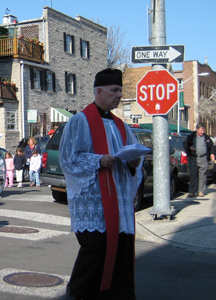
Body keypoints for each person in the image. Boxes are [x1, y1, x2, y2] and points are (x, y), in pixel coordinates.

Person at [59, 68, 143, 300]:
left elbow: (134, 158)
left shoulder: (121, 125)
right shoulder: (80, 121)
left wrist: (134, 162)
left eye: (120, 91)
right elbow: (68, 160)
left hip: (119, 201)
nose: (119, 95)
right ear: (99, 92)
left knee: (121, 250)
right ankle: (78, 294)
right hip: (94, 202)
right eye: (115, 90)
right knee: (96, 250)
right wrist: (98, 160)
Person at [183, 123, 214, 197]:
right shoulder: (191, 137)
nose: (202, 132)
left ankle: (200, 191)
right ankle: (192, 191)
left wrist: (212, 154)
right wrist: (189, 148)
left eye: (203, 130)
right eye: (201, 130)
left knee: (202, 175)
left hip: (203, 158)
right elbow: (185, 144)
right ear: (197, 129)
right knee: (193, 174)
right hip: (193, 158)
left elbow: (211, 146)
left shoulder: (206, 138)